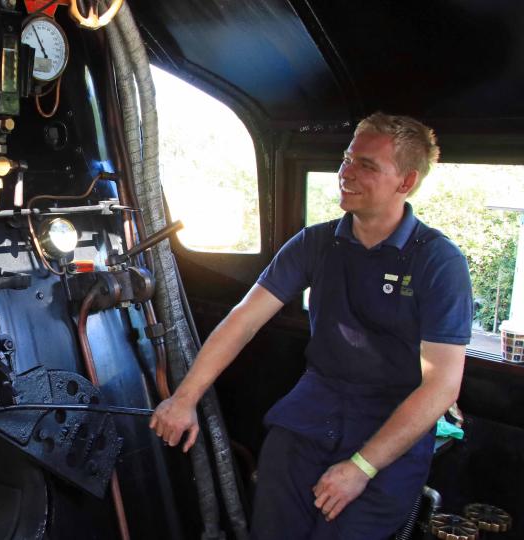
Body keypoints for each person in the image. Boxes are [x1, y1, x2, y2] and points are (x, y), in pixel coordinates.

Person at [150, 113, 472, 538]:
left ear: (406, 182)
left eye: (367, 166)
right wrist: (186, 397)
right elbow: (243, 321)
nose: (346, 173)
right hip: (310, 413)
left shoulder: (438, 261)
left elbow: (441, 386)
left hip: (389, 425)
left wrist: (362, 466)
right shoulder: (316, 243)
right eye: (346, 159)